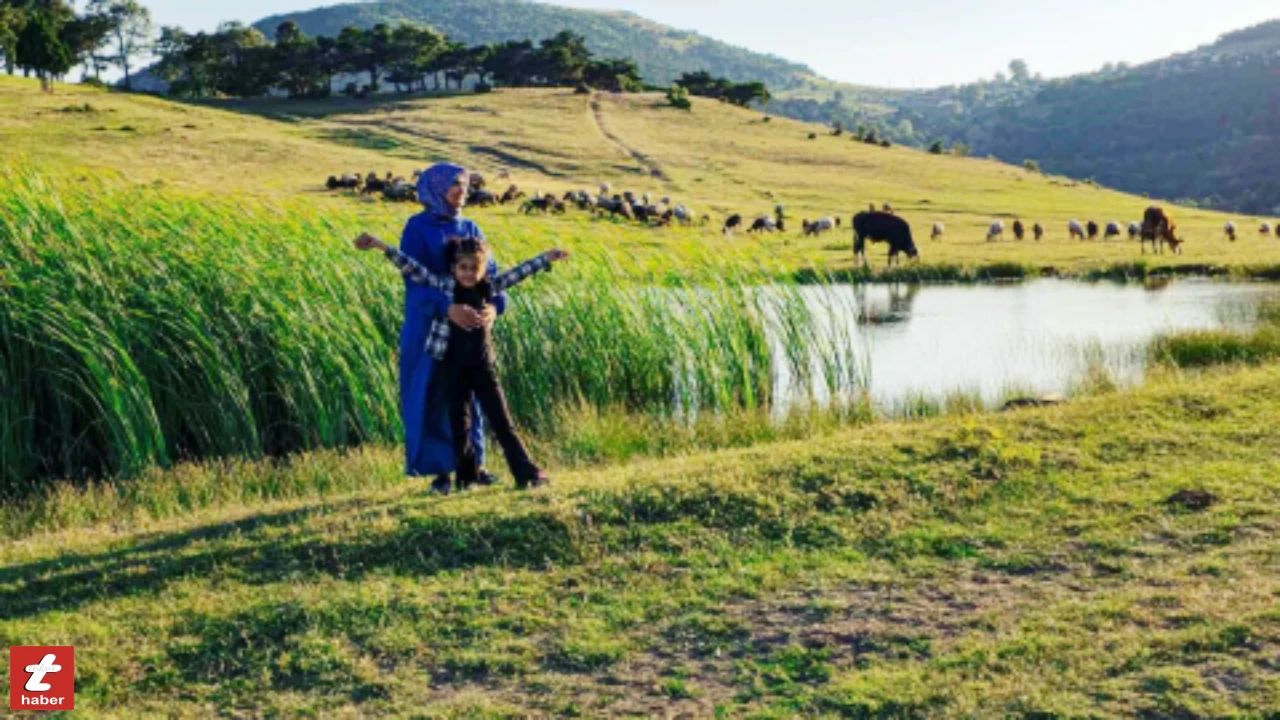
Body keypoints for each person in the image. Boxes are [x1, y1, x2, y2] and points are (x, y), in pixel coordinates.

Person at [354, 233, 568, 490]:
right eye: (462, 267)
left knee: (502, 421)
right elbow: (411, 267)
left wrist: (545, 258)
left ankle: (527, 473)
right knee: (459, 424)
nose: (467, 273)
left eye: (474, 268)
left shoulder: (489, 287)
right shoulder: (445, 287)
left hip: (483, 367)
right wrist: (381, 246)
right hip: (452, 367)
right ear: (454, 268)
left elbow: (519, 273)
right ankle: (466, 478)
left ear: (483, 269)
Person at [383, 163, 506, 491]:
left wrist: (495, 307)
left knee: (473, 398)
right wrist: (447, 308)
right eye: (456, 184)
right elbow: (416, 282)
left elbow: (491, 278)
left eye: (465, 184)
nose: (463, 190)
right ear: (436, 187)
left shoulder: (472, 227)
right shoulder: (417, 228)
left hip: (470, 331)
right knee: (435, 394)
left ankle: (475, 466)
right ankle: (442, 472)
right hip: (429, 330)